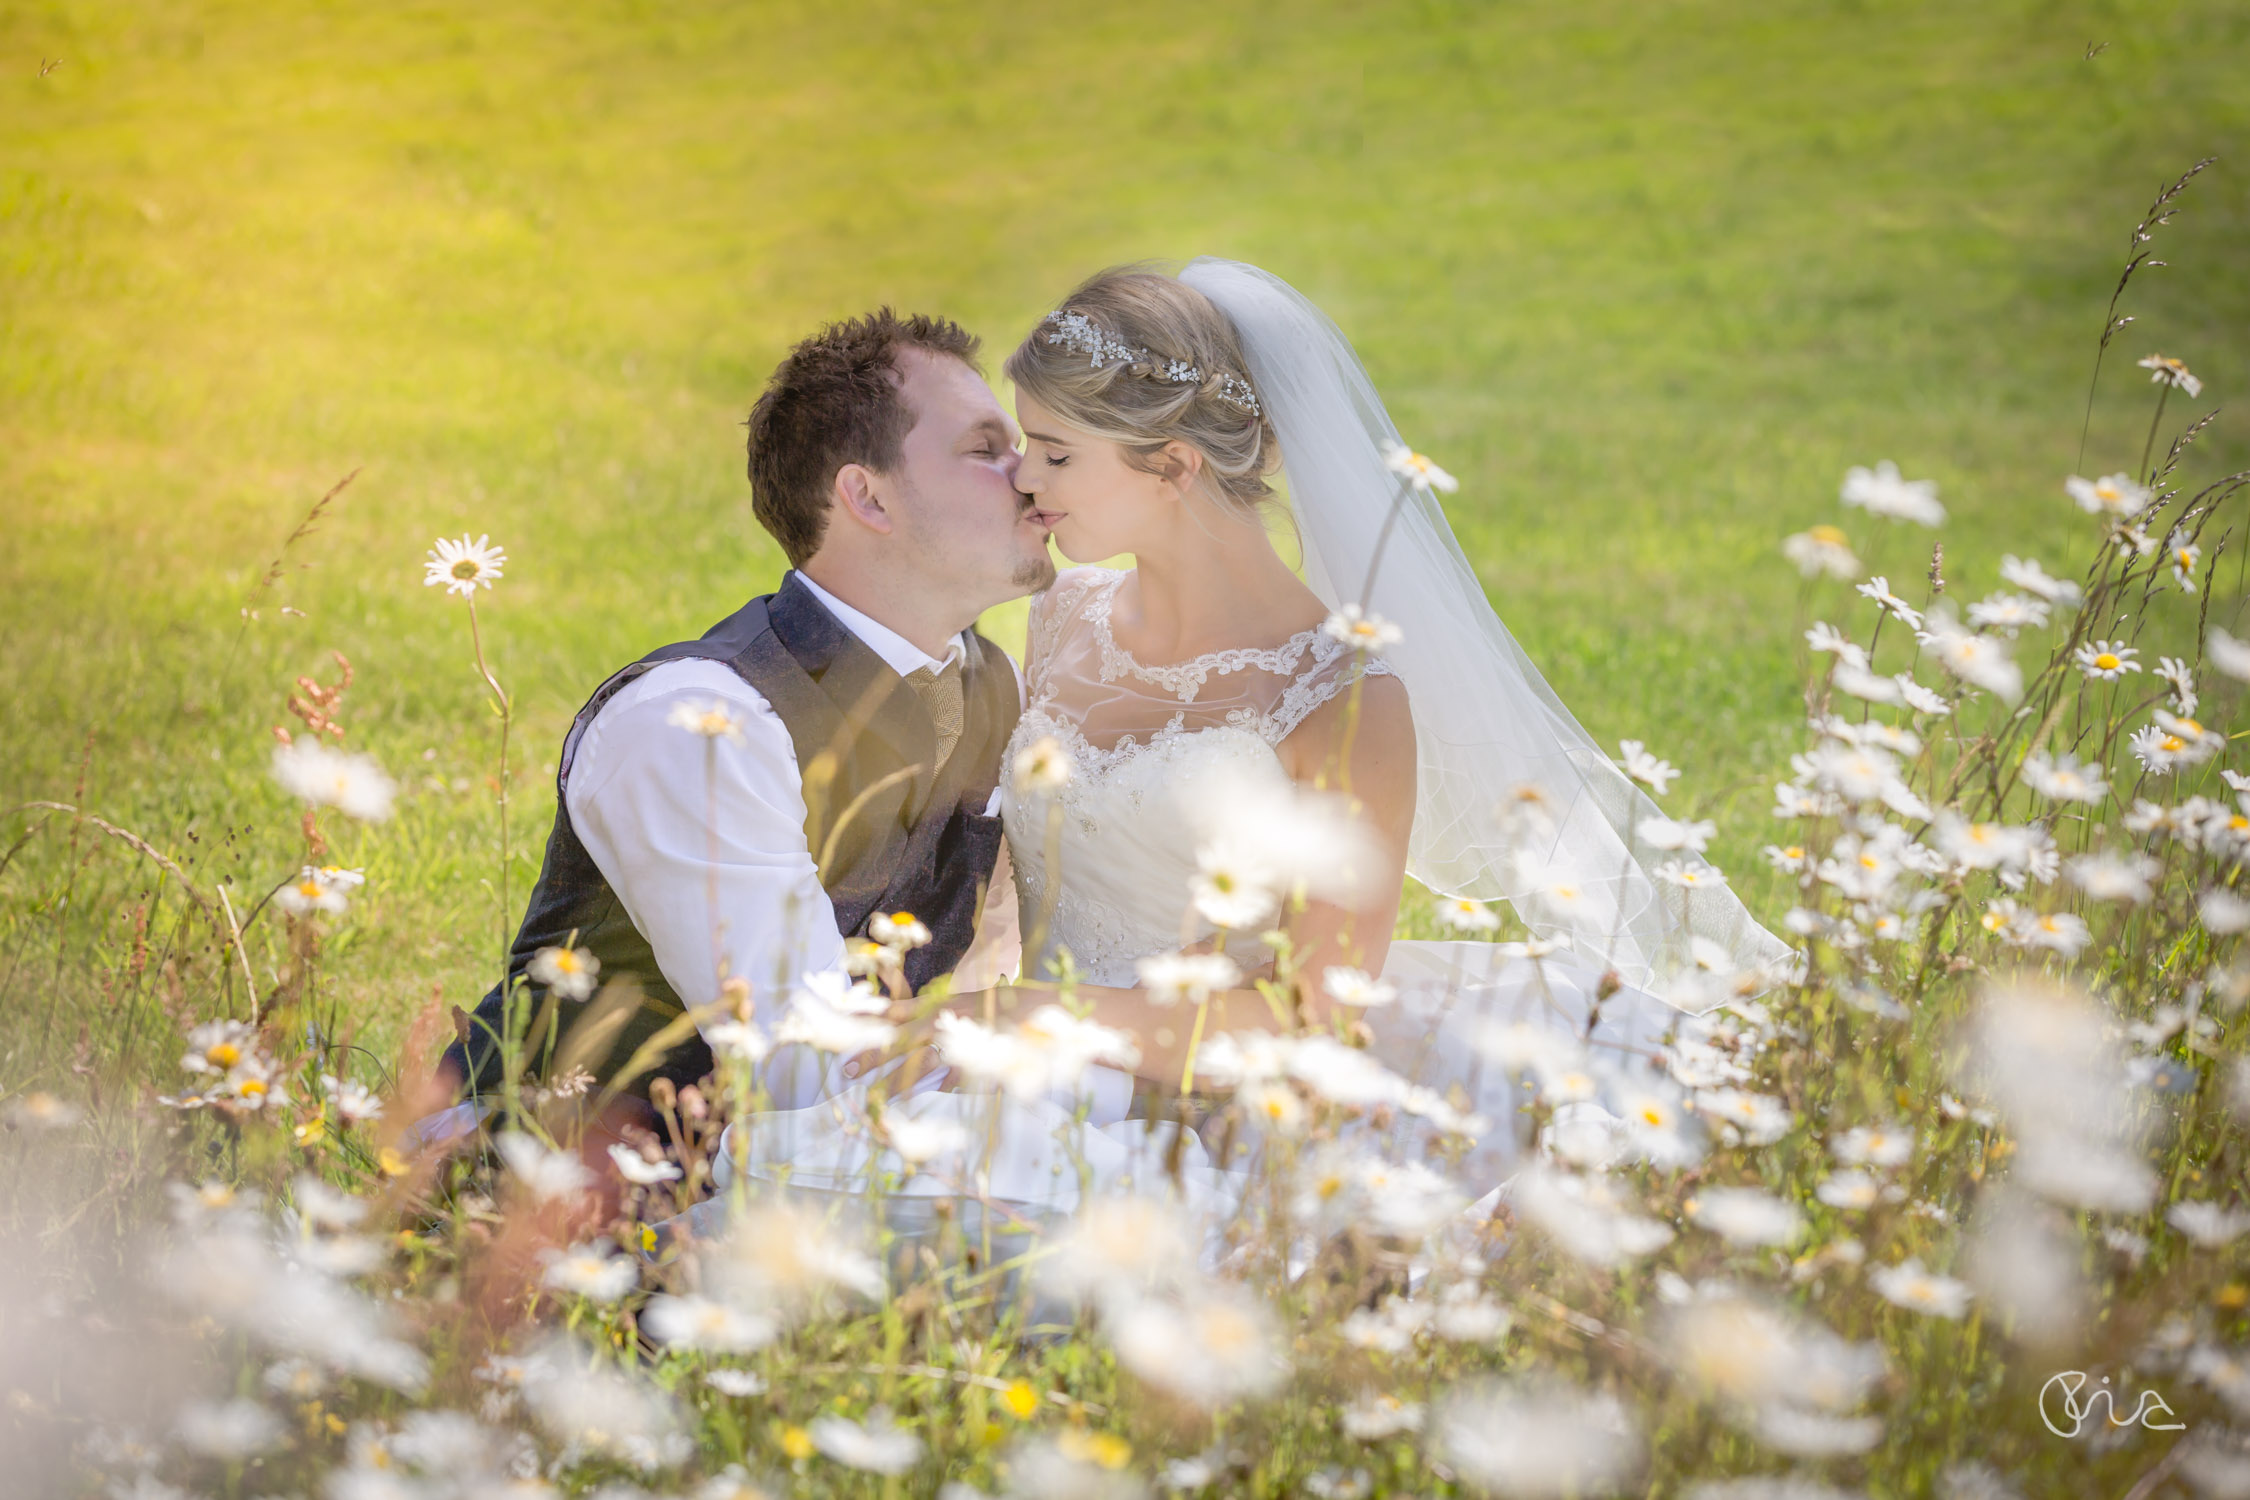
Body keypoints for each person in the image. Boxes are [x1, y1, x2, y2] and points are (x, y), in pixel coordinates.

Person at [707, 262, 1793, 1226]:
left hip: (1220, 1097)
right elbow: (1016, 875)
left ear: (1173, 466)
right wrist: (961, 1015)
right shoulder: (1060, 621)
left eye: (1055, 452)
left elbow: (1312, 1023)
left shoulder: (1341, 698)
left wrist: (1035, 1018)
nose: (1025, 483)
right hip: (1031, 1059)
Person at [427, 308, 1055, 1150]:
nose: (1033, 477)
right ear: (867, 496)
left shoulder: (989, 686)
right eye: (986, 450)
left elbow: (977, 968)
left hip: (838, 1156)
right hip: (563, 1195)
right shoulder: (695, 724)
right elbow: (795, 1056)